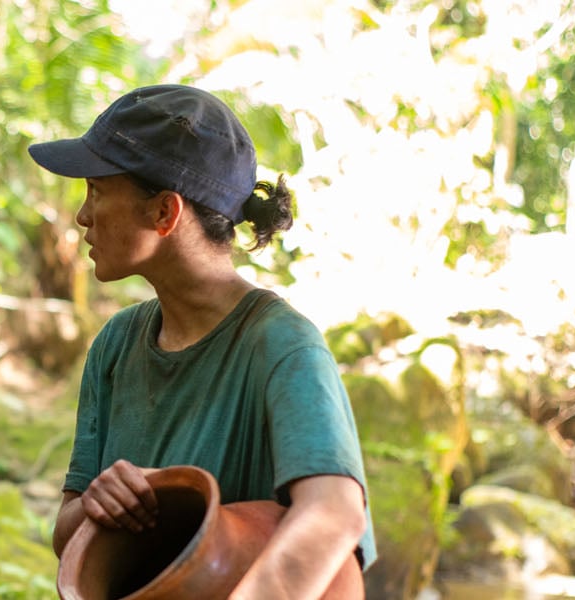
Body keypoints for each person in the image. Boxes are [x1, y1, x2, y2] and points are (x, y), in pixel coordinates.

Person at [30, 84, 375, 598]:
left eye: (97, 191)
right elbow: (67, 534)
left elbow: (335, 512)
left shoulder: (282, 345)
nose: (83, 215)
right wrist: (99, 500)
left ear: (164, 213)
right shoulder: (115, 345)